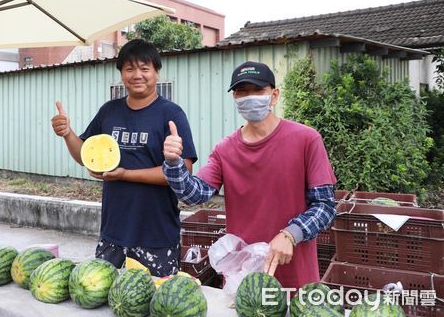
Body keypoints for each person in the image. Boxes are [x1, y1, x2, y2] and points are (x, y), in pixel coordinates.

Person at [162, 61, 337, 290]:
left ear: (274, 96)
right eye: (242, 91)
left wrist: (291, 234)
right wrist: (173, 163)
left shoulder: (306, 140)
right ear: (235, 98)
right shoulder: (224, 150)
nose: (249, 97)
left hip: (295, 273)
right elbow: (194, 195)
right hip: (242, 277)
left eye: (257, 90)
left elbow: (325, 205)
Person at [51, 39, 197, 276]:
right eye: (129, 68)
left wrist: (125, 174)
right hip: (113, 232)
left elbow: (184, 172)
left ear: (157, 73)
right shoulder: (109, 111)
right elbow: (86, 155)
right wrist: (67, 133)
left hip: (156, 234)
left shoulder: (171, 113)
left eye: (145, 68)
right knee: (107, 303)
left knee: (156, 305)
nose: (137, 75)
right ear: (121, 74)